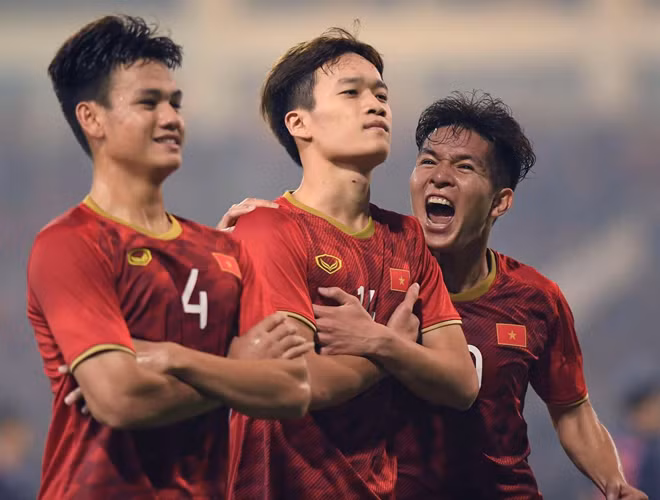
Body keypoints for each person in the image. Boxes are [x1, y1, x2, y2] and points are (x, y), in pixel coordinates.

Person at [223, 91, 648, 499]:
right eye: (428, 161)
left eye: (464, 167)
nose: (440, 176)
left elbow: (571, 410)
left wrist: (615, 483)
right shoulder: (369, 270)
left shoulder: (536, 299)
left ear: (500, 202)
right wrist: (258, 232)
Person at [27, 15, 310, 499]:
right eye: (148, 102)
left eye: (175, 103)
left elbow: (291, 390)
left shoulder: (225, 251)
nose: (172, 118)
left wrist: (176, 360)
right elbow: (120, 399)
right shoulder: (70, 243)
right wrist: (234, 366)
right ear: (91, 118)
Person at [222, 29, 478, 499]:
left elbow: (461, 382)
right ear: (299, 123)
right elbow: (297, 382)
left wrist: (379, 341)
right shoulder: (266, 229)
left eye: (381, 94)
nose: (376, 105)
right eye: (352, 93)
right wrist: (389, 352)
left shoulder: (407, 239)